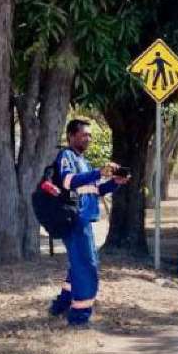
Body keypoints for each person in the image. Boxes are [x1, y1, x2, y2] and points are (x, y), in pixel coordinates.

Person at [47, 120, 129, 326]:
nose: (89, 139)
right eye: (85, 135)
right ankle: (79, 318)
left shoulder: (83, 161)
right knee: (86, 266)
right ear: (71, 136)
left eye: (90, 135)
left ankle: (61, 306)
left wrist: (114, 183)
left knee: (78, 266)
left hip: (84, 221)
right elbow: (68, 181)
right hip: (74, 220)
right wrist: (99, 172)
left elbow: (96, 190)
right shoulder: (66, 156)